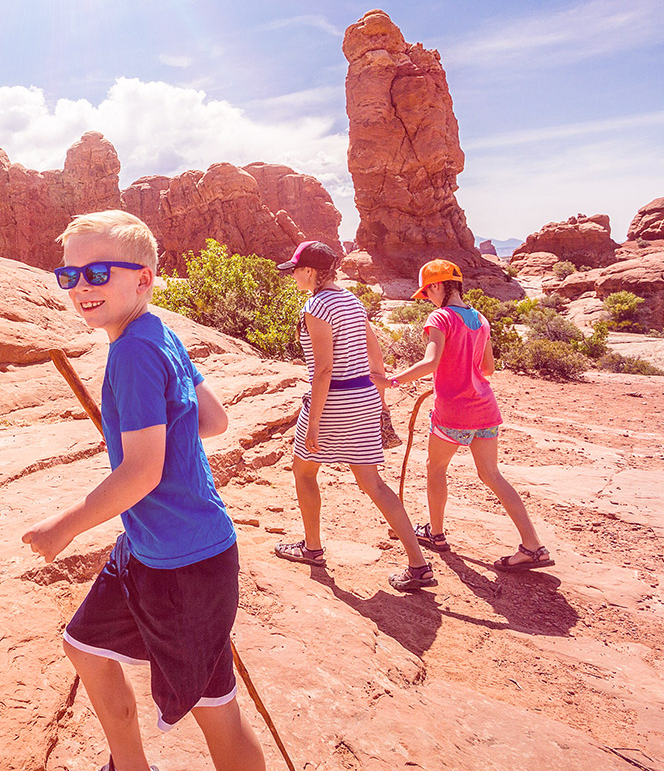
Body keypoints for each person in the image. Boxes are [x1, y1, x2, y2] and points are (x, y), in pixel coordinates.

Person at [23, 210, 267, 771]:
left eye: (98, 272)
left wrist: (63, 527)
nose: (82, 286)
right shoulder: (158, 332)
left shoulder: (133, 351)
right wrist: (165, 426)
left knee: (215, 709)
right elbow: (213, 419)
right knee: (84, 646)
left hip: (184, 563)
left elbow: (141, 474)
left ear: (144, 278)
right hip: (151, 548)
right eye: (70, 276)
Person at [272, 240, 436, 591]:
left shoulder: (316, 306)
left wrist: (313, 422)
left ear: (311, 272)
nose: (294, 277)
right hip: (362, 398)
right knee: (373, 483)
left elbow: (323, 370)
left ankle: (312, 548)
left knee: (303, 471)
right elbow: (374, 351)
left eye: (296, 270)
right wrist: (381, 399)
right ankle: (418, 564)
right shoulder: (352, 300)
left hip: (333, 401)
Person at [383, 260, 553, 571]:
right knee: (491, 475)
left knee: (435, 468)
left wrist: (391, 380)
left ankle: (436, 534)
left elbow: (430, 363)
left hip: (453, 412)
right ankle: (532, 546)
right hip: (485, 408)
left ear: (437, 286)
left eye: (427, 292)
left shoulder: (440, 317)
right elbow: (487, 368)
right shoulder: (480, 318)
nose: (427, 299)